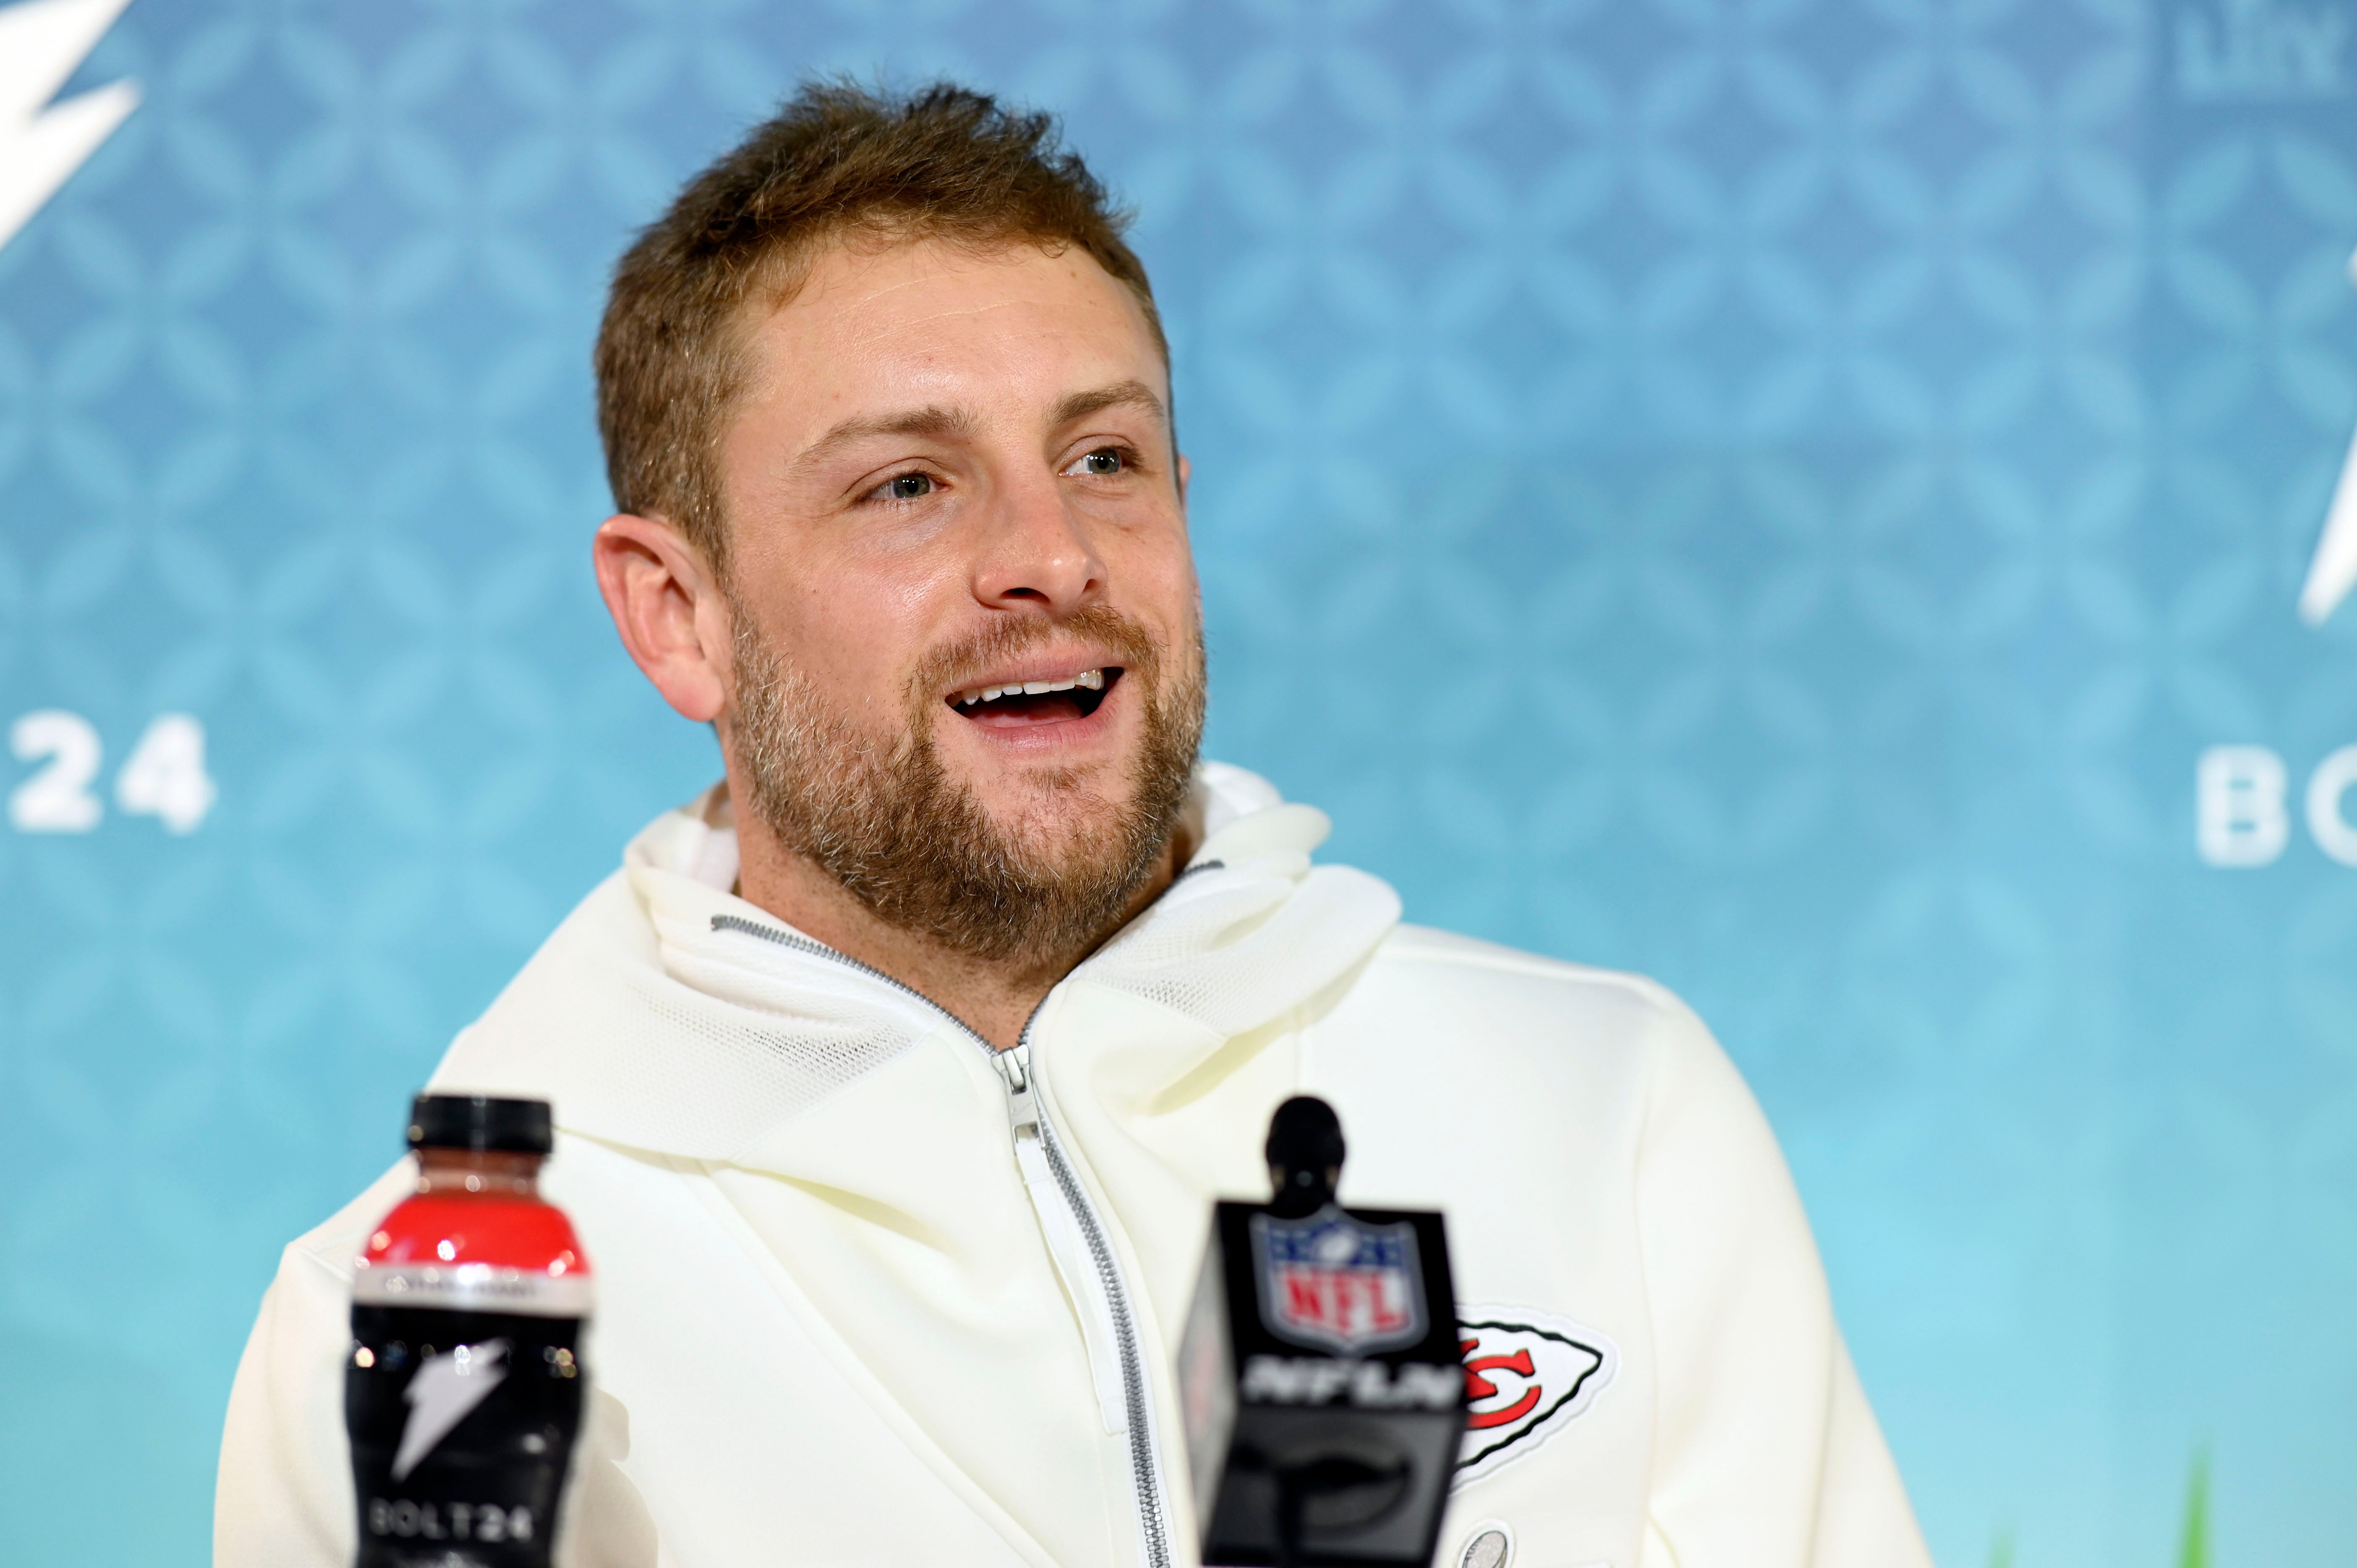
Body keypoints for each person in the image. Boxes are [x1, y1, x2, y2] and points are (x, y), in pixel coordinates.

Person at [215, 81, 1932, 1568]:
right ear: (681, 616)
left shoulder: (1604, 1104)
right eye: (908, 483)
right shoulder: (435, 1310)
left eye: (1105, 458)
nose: (1052, 556)